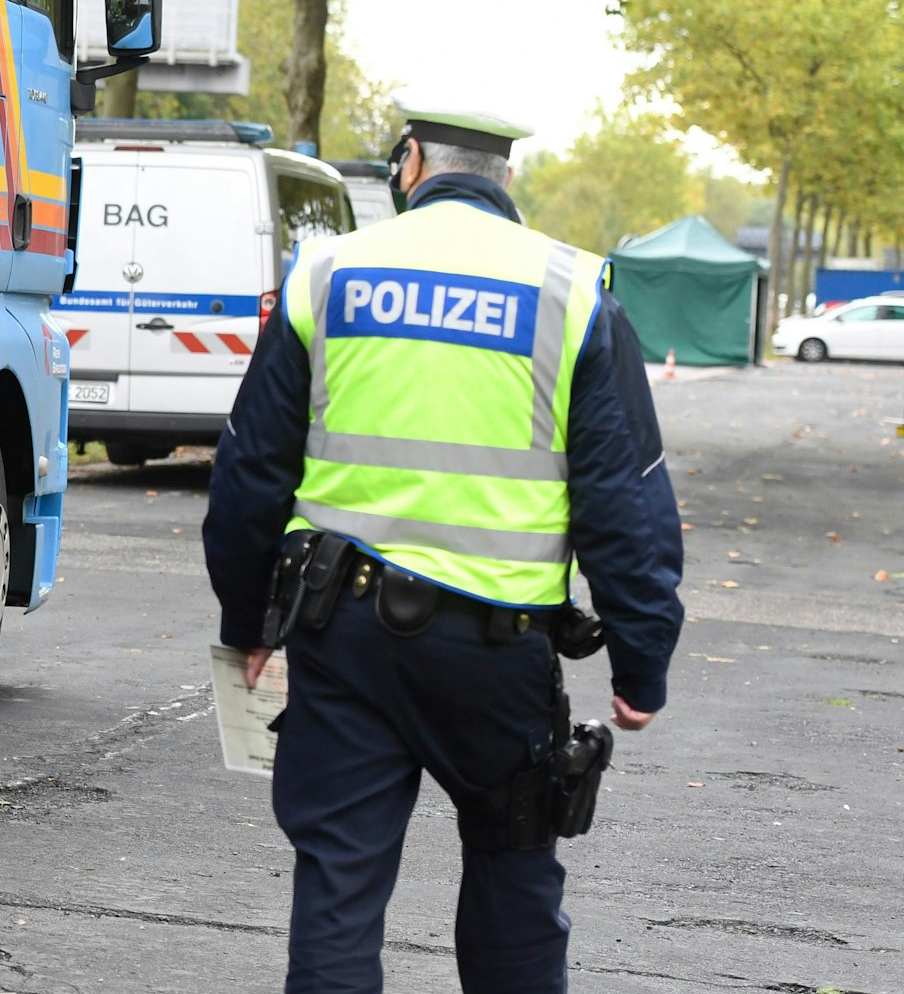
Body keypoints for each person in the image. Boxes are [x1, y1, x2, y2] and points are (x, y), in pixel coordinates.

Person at [202, 99, 685, 992]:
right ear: (505, 176)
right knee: (514, 877)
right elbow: (626, 501)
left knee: (339, 888)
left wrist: (247, 619)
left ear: (410, 161)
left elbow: (249, 474)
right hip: (498, 654)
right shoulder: (573, 292)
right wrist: (641, 661)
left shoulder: (327, 273)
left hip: (341, 640)